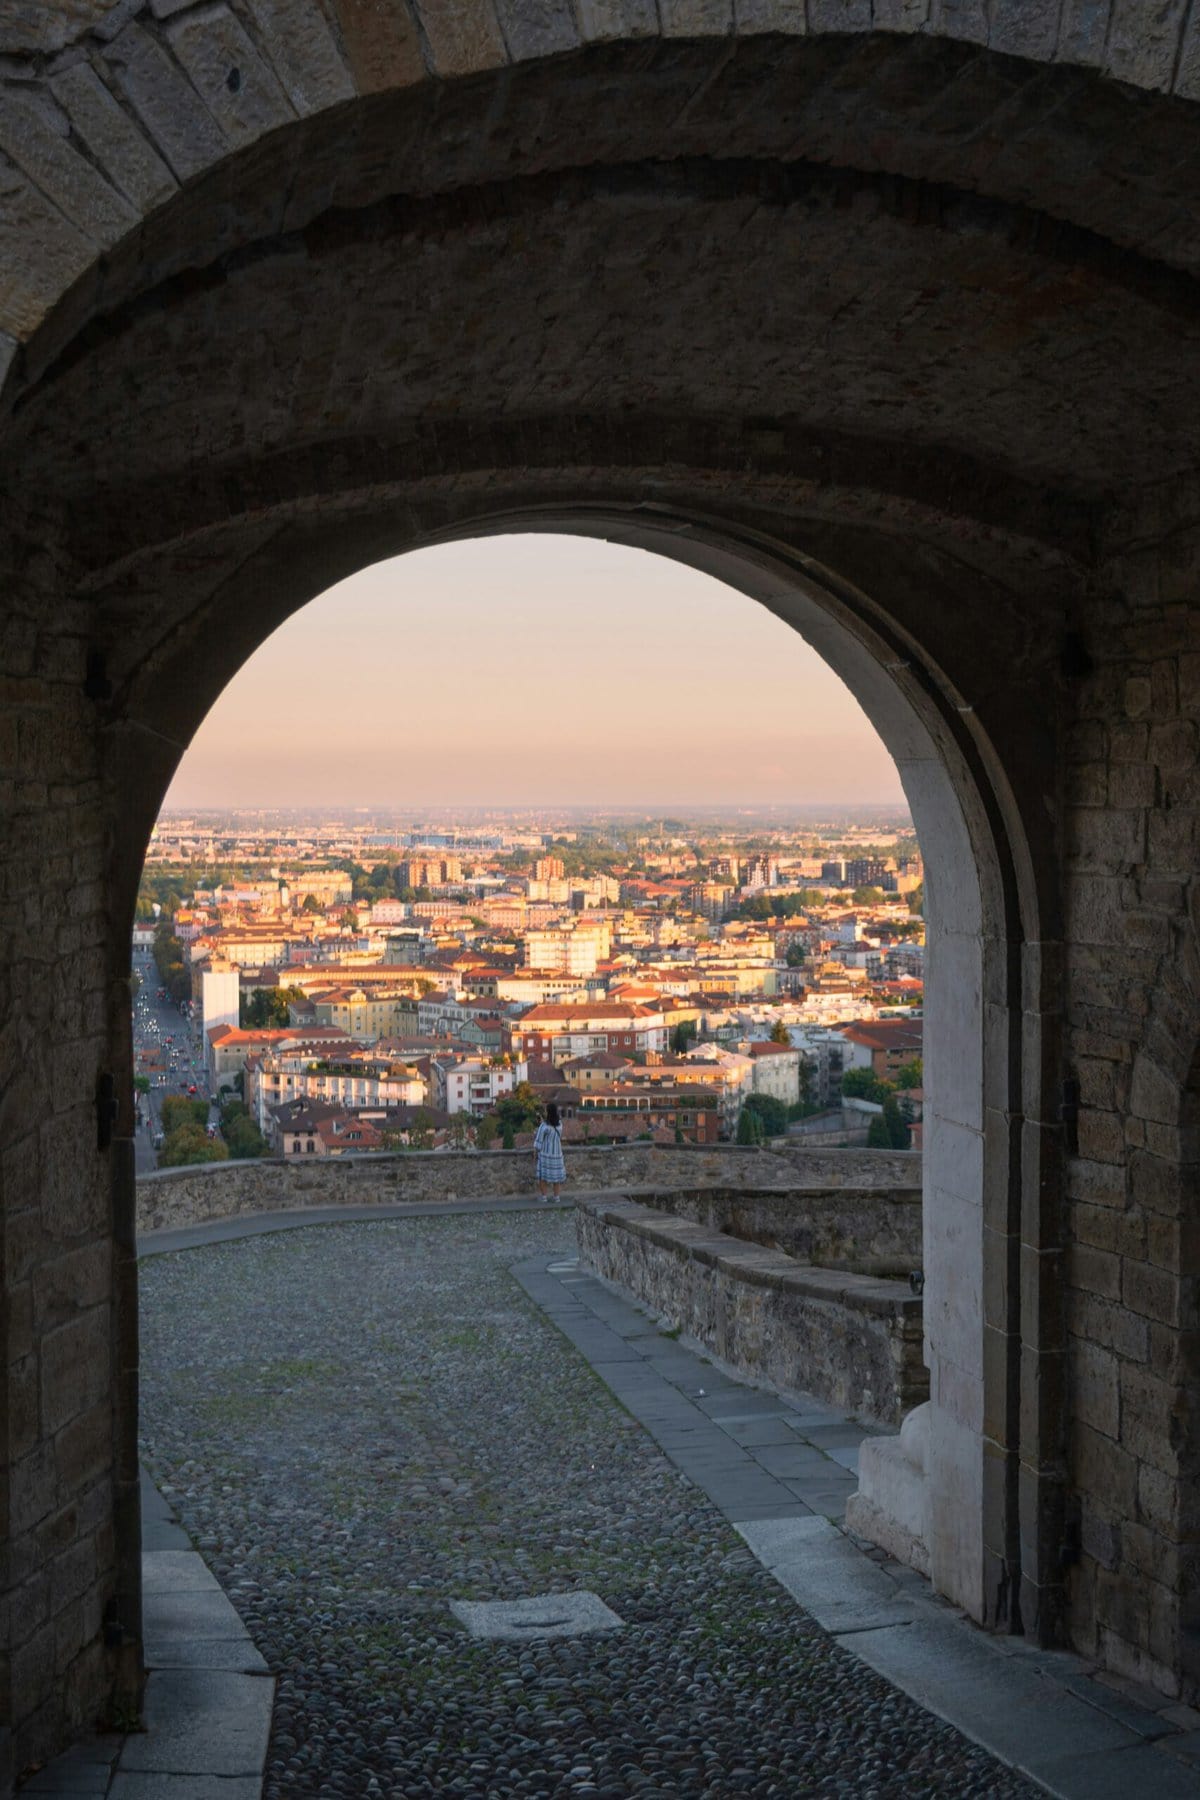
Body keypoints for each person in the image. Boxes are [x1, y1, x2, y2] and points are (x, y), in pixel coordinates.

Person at [533, 1102, 566, 1202]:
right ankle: (556, 1197)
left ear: (548, 1112)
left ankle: (544, 1197)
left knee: (543, 1177)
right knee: (556, 1178)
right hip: (557, 1154)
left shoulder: (544, 1126)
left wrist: (535, 1154)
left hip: (545, 1155)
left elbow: (538, 1141)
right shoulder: (560, 1124)